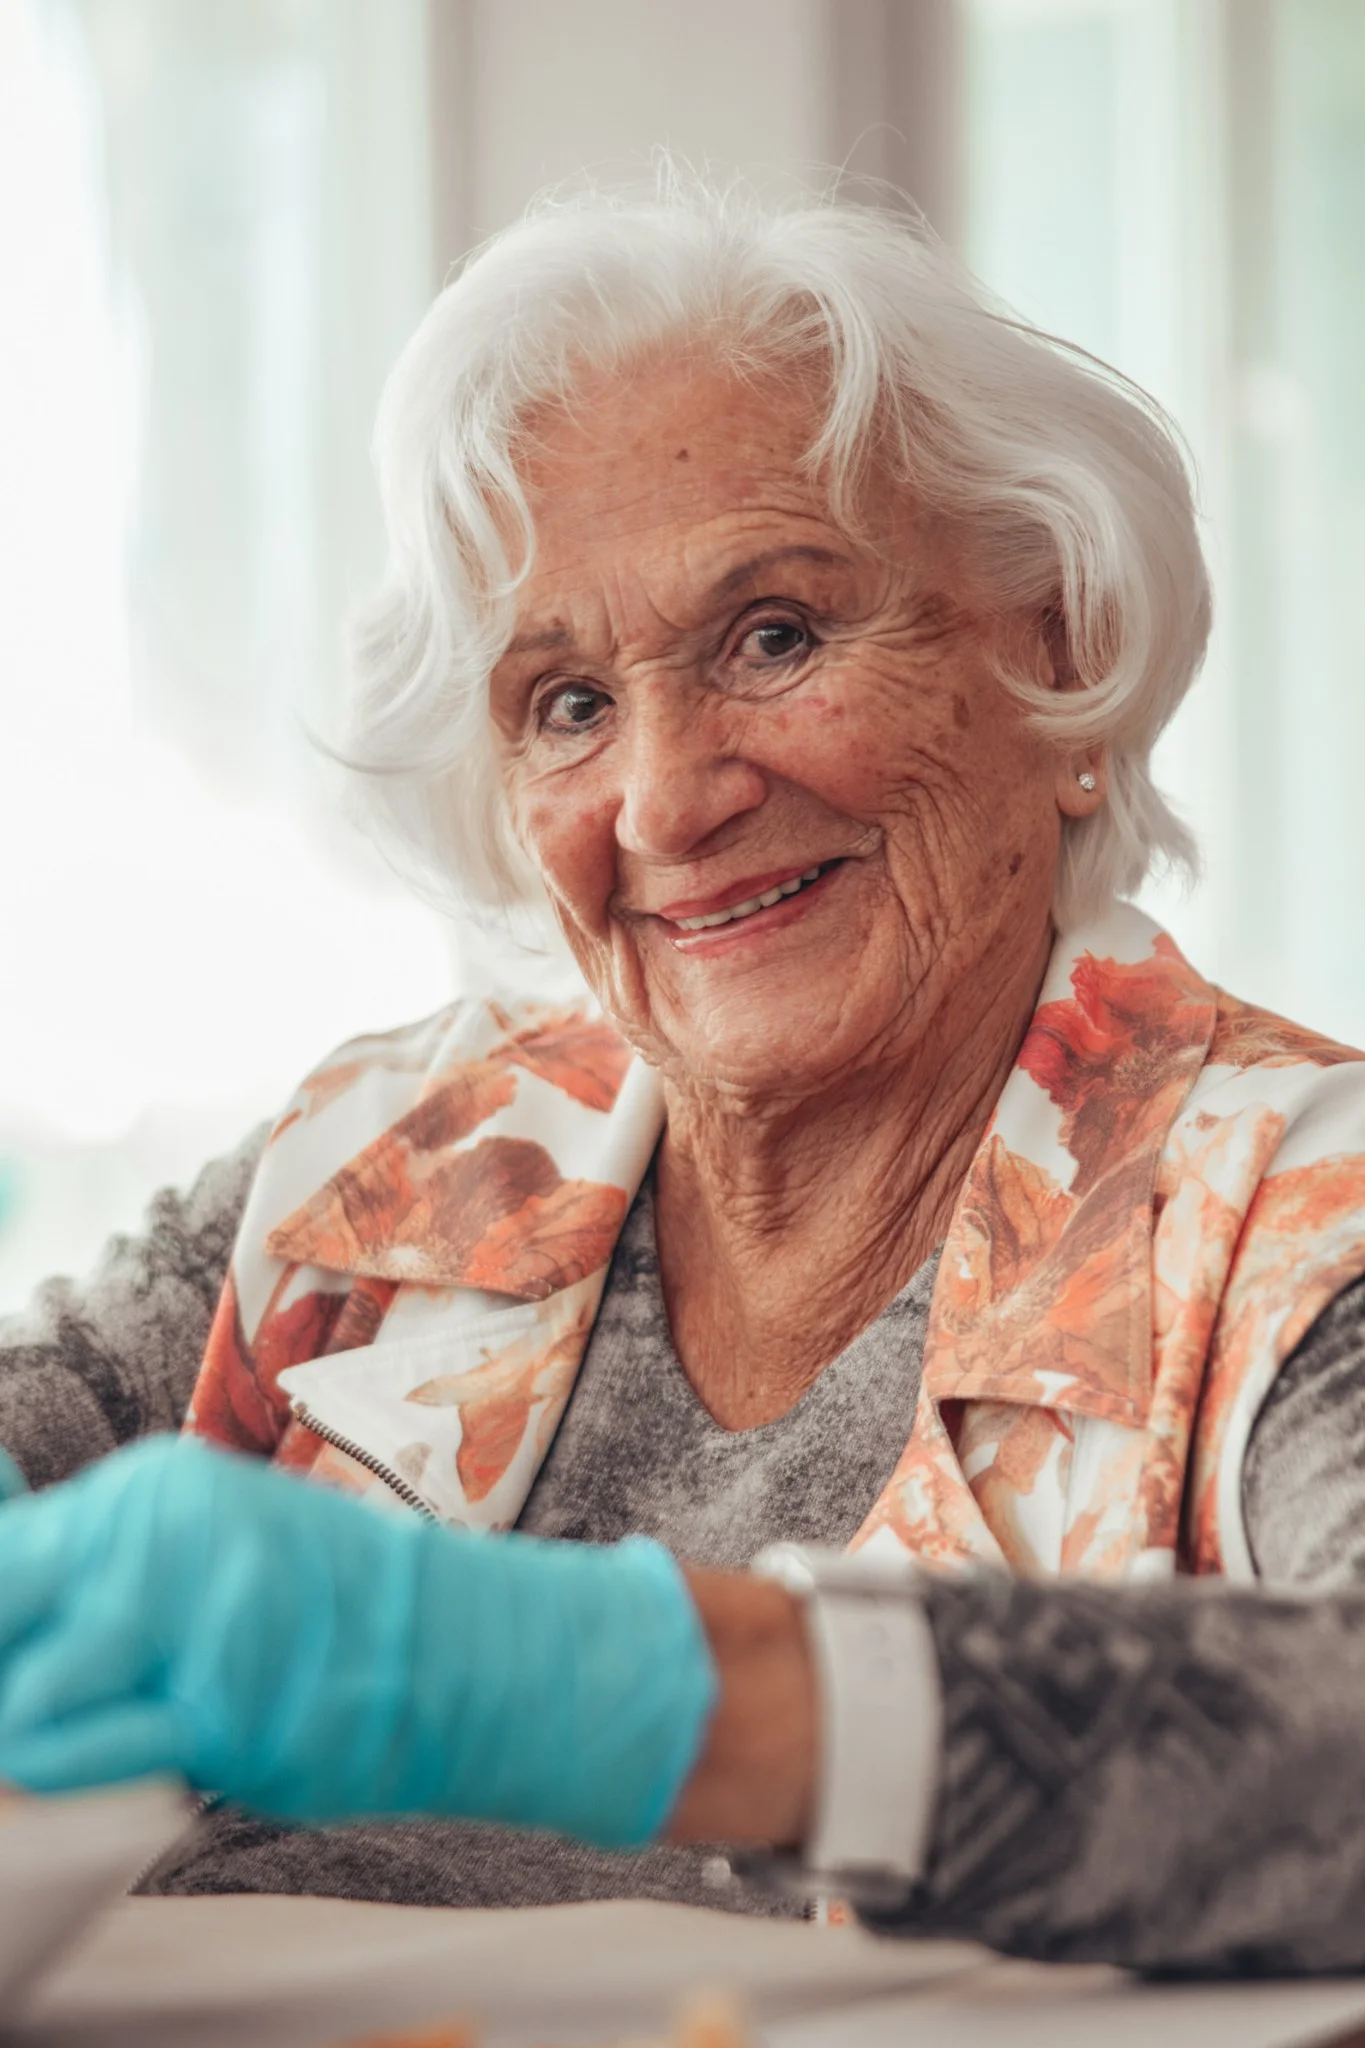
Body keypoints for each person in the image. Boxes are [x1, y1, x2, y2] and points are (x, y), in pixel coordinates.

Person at [2, 176, 1365, 1975]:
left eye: (776, 637)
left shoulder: (1287, 1210)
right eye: (567, 704)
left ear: (1056, 652)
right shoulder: (405, 1157)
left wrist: (650, 1693)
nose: (663, 801)